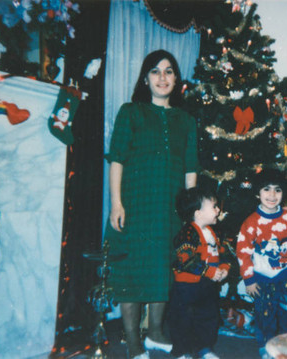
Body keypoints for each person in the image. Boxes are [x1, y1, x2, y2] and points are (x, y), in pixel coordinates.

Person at [104, 50, 199, 359]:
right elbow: (116, 159)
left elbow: (190, 169)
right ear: (145, 78)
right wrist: (116, 203)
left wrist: (190, 214)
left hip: (169, 209)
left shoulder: (186, 120)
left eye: (169, 71)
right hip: (134, 205)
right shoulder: (130, 111)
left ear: (176, 79)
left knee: (163, 268)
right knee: (131, 271)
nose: (162, 77)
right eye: (155, 71)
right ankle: (132, 339)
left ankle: (155, 332)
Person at [236, 168, 287, 359]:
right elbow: (243, 252)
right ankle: (265, 345)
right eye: (266, 189)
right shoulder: (251, 222)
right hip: (262, 279)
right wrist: (249, 279)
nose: (272, 195)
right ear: (257, 192)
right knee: (265, 315)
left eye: (277, 190)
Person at [168, 187, 233, 359]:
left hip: (207, 286)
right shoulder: (188, 233)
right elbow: (186, 259)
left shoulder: (213, 232)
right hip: (186, 288)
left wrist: (224, 269)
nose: (218, 210)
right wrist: (210, 271)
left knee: (208, 317)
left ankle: (204, 347)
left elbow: (224, 253)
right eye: (214, 207)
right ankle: (181, 351)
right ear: (198, 213)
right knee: (183, 319)